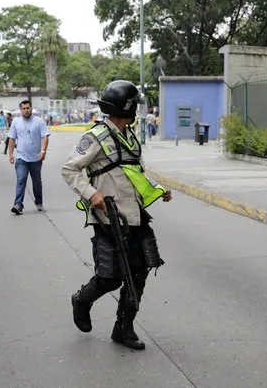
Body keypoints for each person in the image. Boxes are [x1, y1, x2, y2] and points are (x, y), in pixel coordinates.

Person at [62, 80, 172, 350]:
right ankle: (82, 300)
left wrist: (158, 190)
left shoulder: (130, 135)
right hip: (109, 217)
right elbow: (69, 170)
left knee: (139, 272)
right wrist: (91, 194)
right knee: (110, 277)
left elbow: (137, 173)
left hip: (135, 215)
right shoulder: (96, 137)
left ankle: (123, 328)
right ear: (126, 106)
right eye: (134, 104)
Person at [8, 100, 50, 214]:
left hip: (36, 158)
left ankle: (39, 202)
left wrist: (43, 151)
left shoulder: (39, 121)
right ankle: (18, 204)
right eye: (24, 108)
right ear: (21, 110)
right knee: (21, 179)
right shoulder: (16, 122)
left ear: (31, 108)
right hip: (21, 157)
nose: (26, 110)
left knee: (36, 182)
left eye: (28, 108)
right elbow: (12, 139)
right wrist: (11, 154)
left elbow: (45, 137)